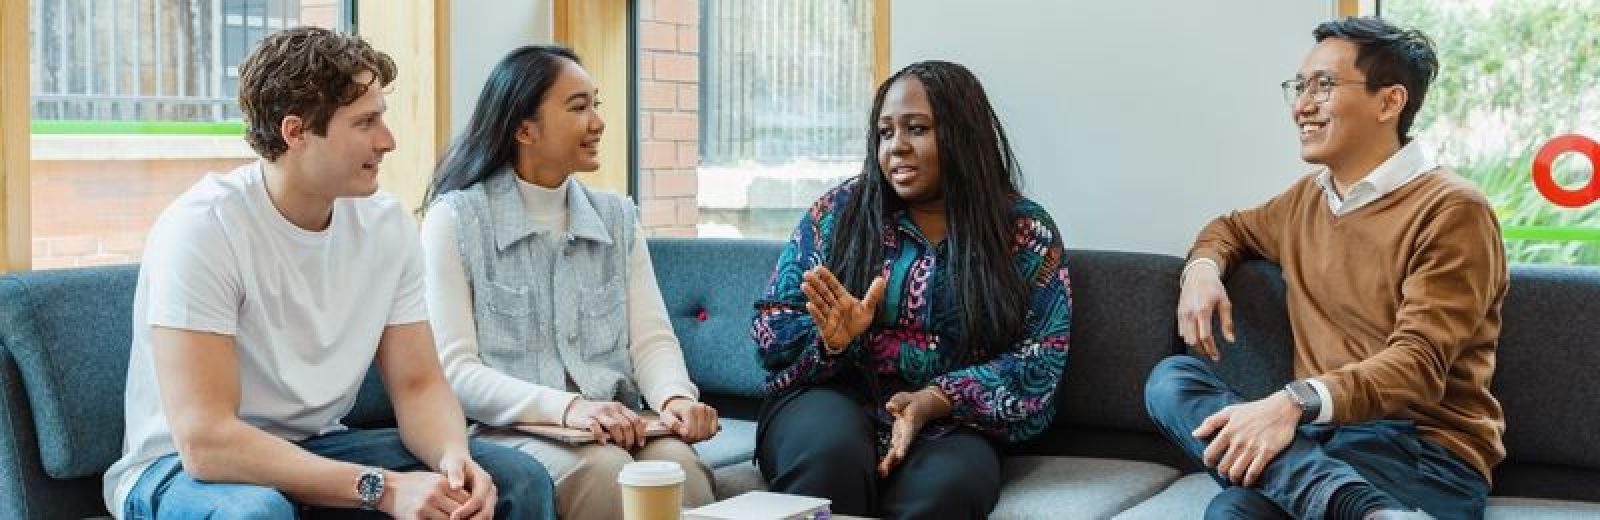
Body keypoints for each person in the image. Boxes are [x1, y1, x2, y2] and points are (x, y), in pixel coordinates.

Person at [103, 27, 557, 519]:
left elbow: (418, 384)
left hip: (317, 446)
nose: (388, 141)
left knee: (516, 479)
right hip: (180, 468)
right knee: (257, 514)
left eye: (382, 117)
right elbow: (207, 441)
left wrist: (453, 459)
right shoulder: (203, 228)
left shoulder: (386, 225)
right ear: (295, 133)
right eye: (365, 123)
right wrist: (383, 489)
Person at [1143, 17, 1507, 520]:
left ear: (1389, 102)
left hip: (1423, 453)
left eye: (1325, 85)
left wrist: (1291, 404)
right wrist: (1201, 270)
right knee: (1171, 381)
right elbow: (1228, 229)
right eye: (1299, 86)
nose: (1302, 105)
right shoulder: (1306, 201)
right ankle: (1363, 510)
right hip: (1323, 445)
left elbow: (1418, 365)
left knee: (1234, 511)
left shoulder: (1451, 210)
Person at [750, 60, 1073, 519]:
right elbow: (771, 327)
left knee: (948, 491)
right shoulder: (839, 213)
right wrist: (831, 341)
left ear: (963, 135)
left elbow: (1040, 359)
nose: (896, 147)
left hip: (953, 419)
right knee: (830, 460)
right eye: (885, 133)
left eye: (917, 129)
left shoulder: (1022, 230)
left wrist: (934, 400)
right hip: (832, 395)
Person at [418, 45, 718, 520]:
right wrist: (569, 409)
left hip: (617, 425)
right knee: (603, 473)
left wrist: (675, 397)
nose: (598, 121)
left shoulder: (616, 218)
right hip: (506, 431)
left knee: (676, 466)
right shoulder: (455, 220)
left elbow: (651, 340)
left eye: (596, 104)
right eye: (579, 107)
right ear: (524, 128)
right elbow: (456, 373)